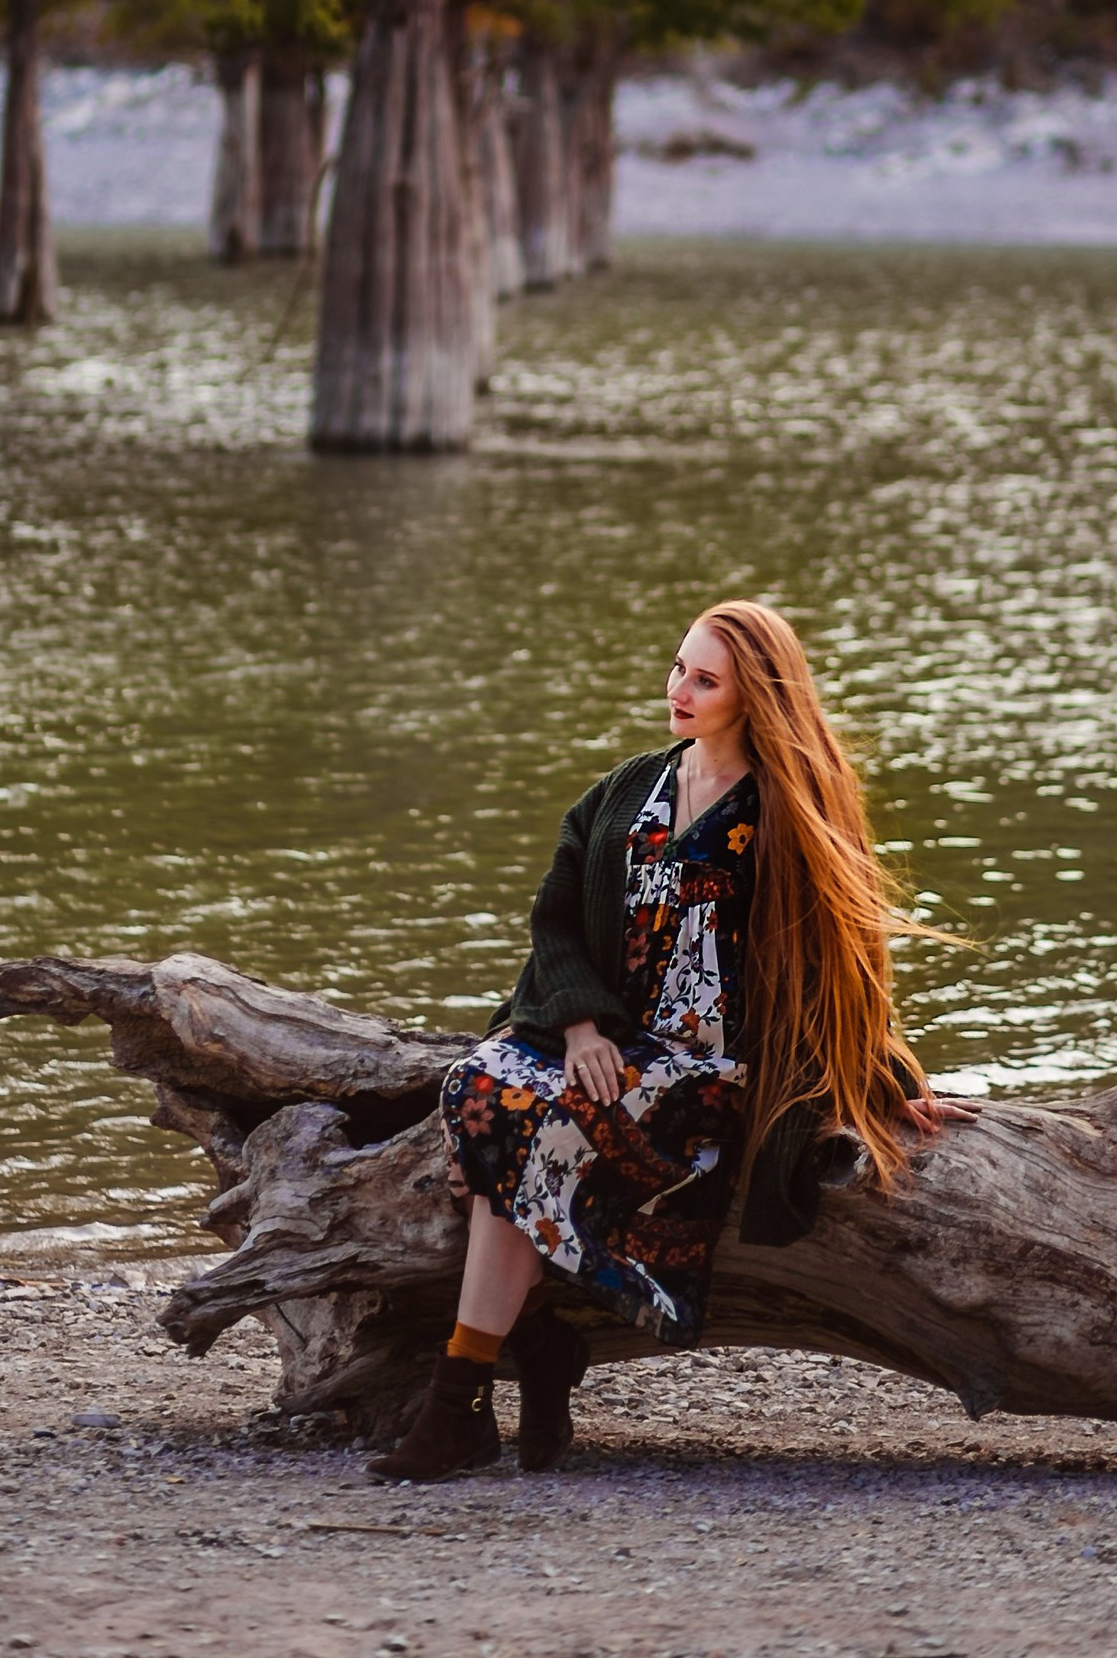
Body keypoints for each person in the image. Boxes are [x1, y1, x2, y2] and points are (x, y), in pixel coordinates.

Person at [370, 597, 949, 1483]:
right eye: (678, 667)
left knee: (523, 1126)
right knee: (478, 1087)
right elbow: (554, 918)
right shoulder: (628, 789)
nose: (680, 689)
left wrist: (889, 1075)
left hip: (700, 1070)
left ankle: (463, 1396)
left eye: (705, 679)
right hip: (609, 1036)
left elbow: (843, 962)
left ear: (753, 695)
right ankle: (525, 1359)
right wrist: (579, 1024)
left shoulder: (786, 814)